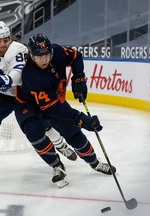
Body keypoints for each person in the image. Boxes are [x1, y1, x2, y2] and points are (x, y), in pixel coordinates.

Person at [0, 21, 77, 178]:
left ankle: (61, 145)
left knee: (44, 126)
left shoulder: (18, 49)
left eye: (6, 39)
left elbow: (17, 75)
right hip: (4, 96)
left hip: (25, 95)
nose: (3, 44)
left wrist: (4, 80)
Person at [15, 33, 116, 188]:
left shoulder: (58, 53)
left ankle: (95, 163)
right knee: (34, 132)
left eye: (47, 55)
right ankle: (57, 166)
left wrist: (79, 78)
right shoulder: (32, 75)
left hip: (55, 101)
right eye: (38, 56)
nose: (44, 59)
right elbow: (54, 109)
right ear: (31, 55)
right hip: (28, 105)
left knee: (73, 133)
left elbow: (76, 56)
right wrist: (81, 118)